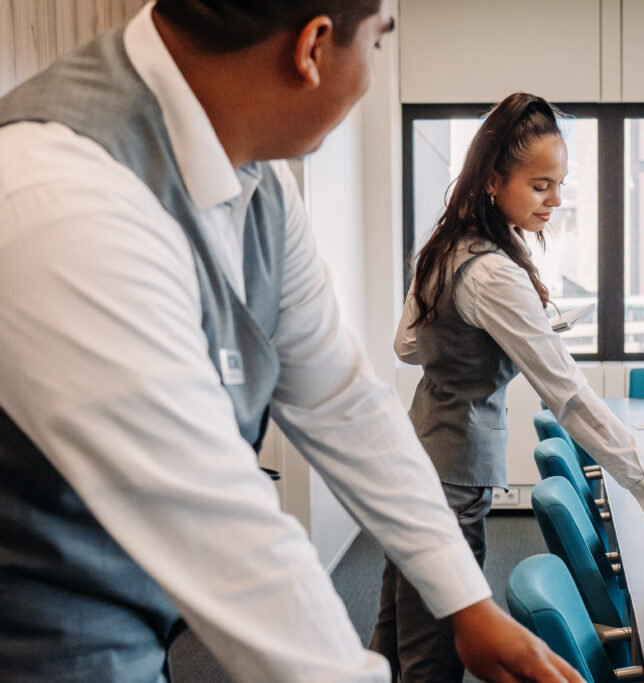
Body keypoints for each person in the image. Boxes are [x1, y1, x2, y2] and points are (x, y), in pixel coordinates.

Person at [0, 3, 583, 682]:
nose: (372, 71)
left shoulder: (257, 175)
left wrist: (466, 598)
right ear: (312, 48)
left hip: (136, 620)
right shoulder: (61, 199)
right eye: (376, 43)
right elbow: (222, 534)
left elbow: (341, 398)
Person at [373, 92, 644, 682]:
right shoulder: (496, 272)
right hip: (451, 474)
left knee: (394, 637)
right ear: (495, 181)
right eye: (541, 185)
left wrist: (476, 339)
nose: (555, 200)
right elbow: (569, 395)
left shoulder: (448, 248)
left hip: (415, 455)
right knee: (431, 658)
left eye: (560, 184)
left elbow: (408, 347)